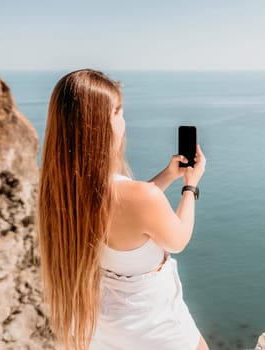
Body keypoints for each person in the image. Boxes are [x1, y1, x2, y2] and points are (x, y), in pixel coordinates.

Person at [37, 69, 209, 350]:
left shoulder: (62, 192)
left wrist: (166, 175)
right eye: (117, 111)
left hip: (106, 331)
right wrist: (190, 187)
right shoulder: (138, 197)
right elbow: (178, 240)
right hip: (158, 330)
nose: (123, 120)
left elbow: (127, 208)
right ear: (98, 124)